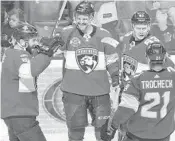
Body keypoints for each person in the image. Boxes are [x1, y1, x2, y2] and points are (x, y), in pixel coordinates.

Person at [55, 1, 120, 141]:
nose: (81, 21)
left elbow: (112, 59)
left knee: (103, 135)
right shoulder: (66, 33)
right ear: (74, 16)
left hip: (100, 92)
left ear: (92, 17)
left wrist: (115, 76)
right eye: (79, 17)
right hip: (73, 92)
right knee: (75, 135)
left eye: (85, 18)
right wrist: (48, 46)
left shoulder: (105, 34)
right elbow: (53, 51)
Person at [1, 23, 64, 141]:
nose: (36, 42)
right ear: (21, 41)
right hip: (21, 114)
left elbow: (29, 74)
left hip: (14, 114)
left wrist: (47, 52)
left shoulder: (13, 54)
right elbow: (30, 70)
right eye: (33, 40)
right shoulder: (19, 55)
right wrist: (46, 53)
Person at [100, 41, 175, 141]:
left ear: (147, 58)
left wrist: (112, 126)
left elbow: (126, 108)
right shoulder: (173, 76)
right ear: (165, 58)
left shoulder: (137, 79)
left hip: (138, 135)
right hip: (163, 135)